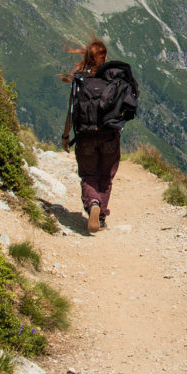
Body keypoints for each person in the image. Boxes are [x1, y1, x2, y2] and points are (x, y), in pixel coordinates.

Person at [62, 38, 127, 234]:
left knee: (89, 174)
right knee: (105, 176)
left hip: (85, 137)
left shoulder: (80, 81)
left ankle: (93, 203)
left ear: (86, 58)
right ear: (105, 57)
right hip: (109, 136)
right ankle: (100, 217)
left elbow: (71, 112)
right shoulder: (113, 80)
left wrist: (66, 136)